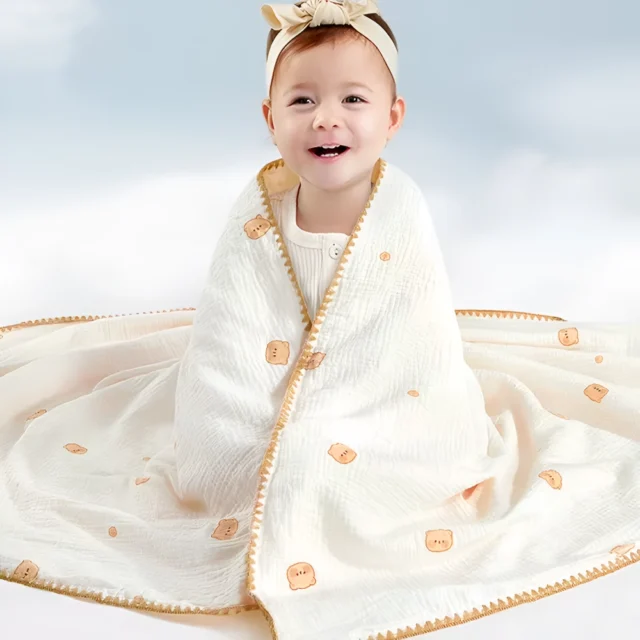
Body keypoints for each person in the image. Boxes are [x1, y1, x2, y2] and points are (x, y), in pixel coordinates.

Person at [1, 2, 639, 639]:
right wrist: (248, 417)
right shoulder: (257, 218)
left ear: (393, 118)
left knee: (350, 475)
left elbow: (410, 343)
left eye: (353, 100)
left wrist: (335, 416)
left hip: (380, 396)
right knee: (240, 465)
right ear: (270, 119)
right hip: (264, 385)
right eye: (302, 101)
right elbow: (231, 332)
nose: (326, 118)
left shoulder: (401, 213)